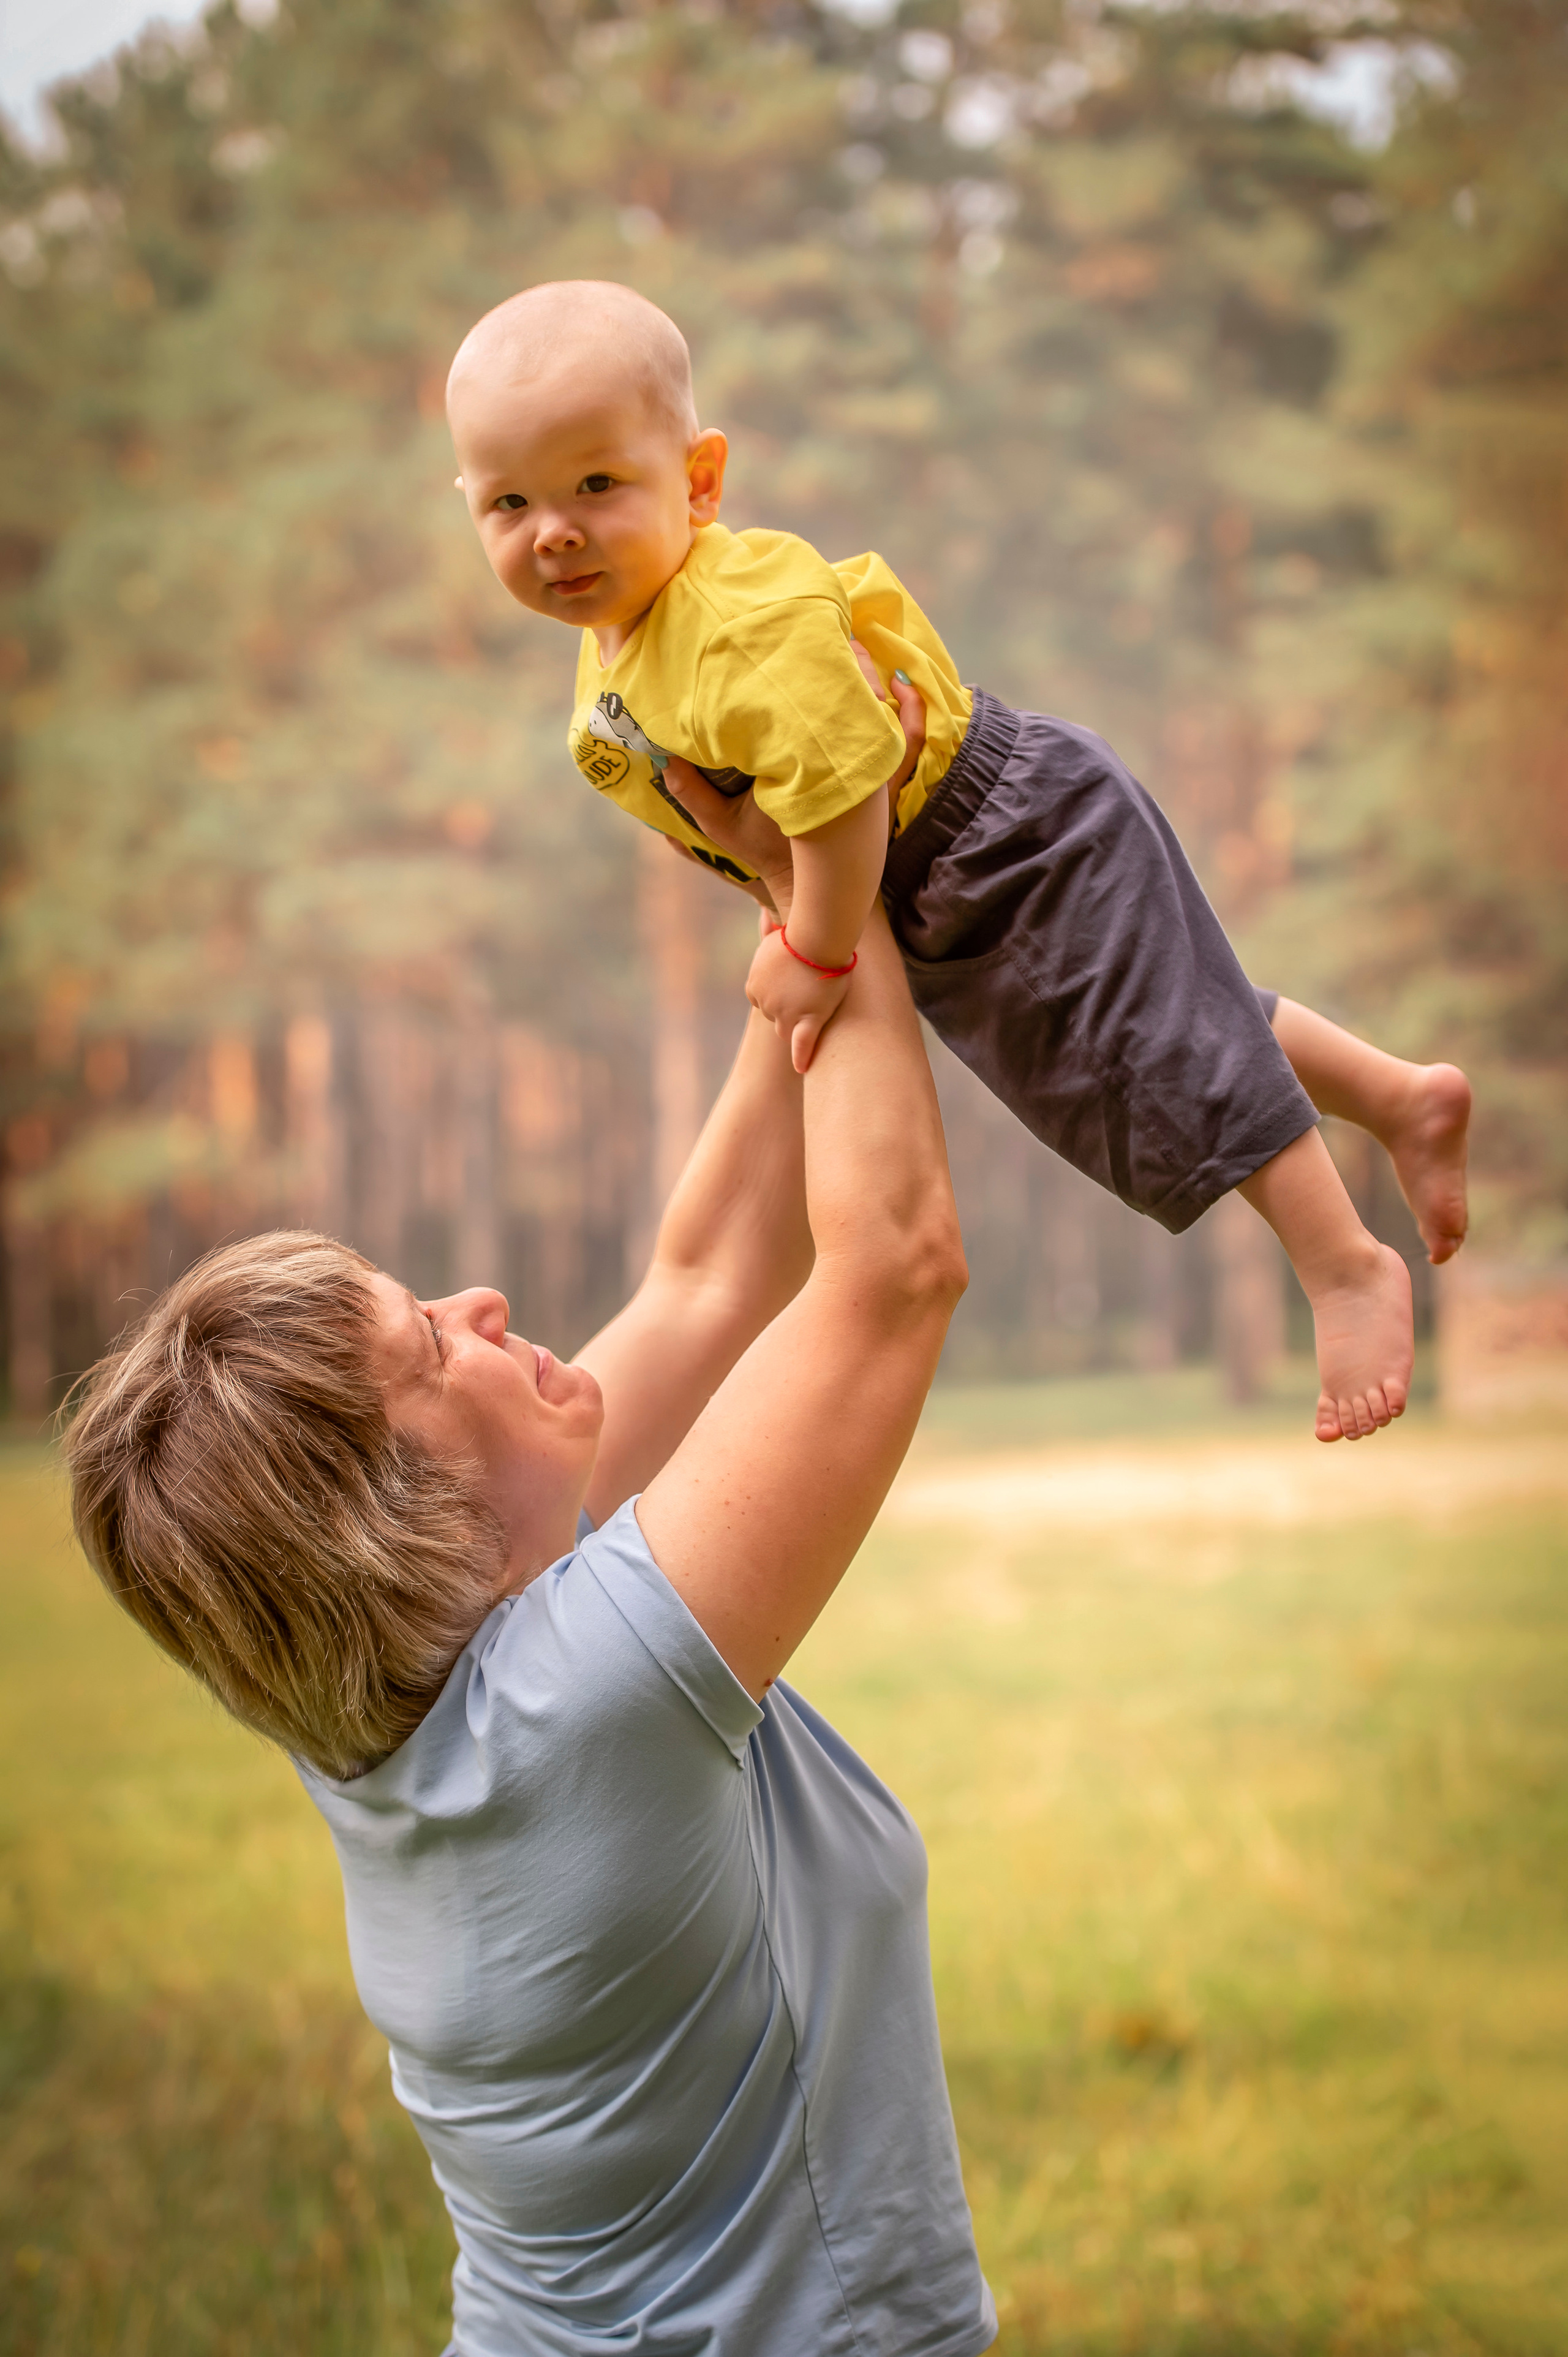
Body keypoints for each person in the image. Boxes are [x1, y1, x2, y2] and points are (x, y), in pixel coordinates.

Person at [64, 713, 999, 2354]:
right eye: (433, 1349)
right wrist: (843, 854)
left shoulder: (397, 1698)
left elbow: (710, 1272)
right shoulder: (580, 1716)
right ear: (394, 1521)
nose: (483, 1304)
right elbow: (893, 1267)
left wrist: (795, 889)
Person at [444, 278, 1472, 1446]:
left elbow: (840, 805)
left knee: (1158, 1044)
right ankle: (1396, 1095)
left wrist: (811, 948)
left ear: (698, 479)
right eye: (510, 504)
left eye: (595, 485)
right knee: (1172, 1015)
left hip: (1000, 836)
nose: (555, 531)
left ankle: (1344, 1266)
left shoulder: (735, 623)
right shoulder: (624, 634)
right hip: (942, 871)